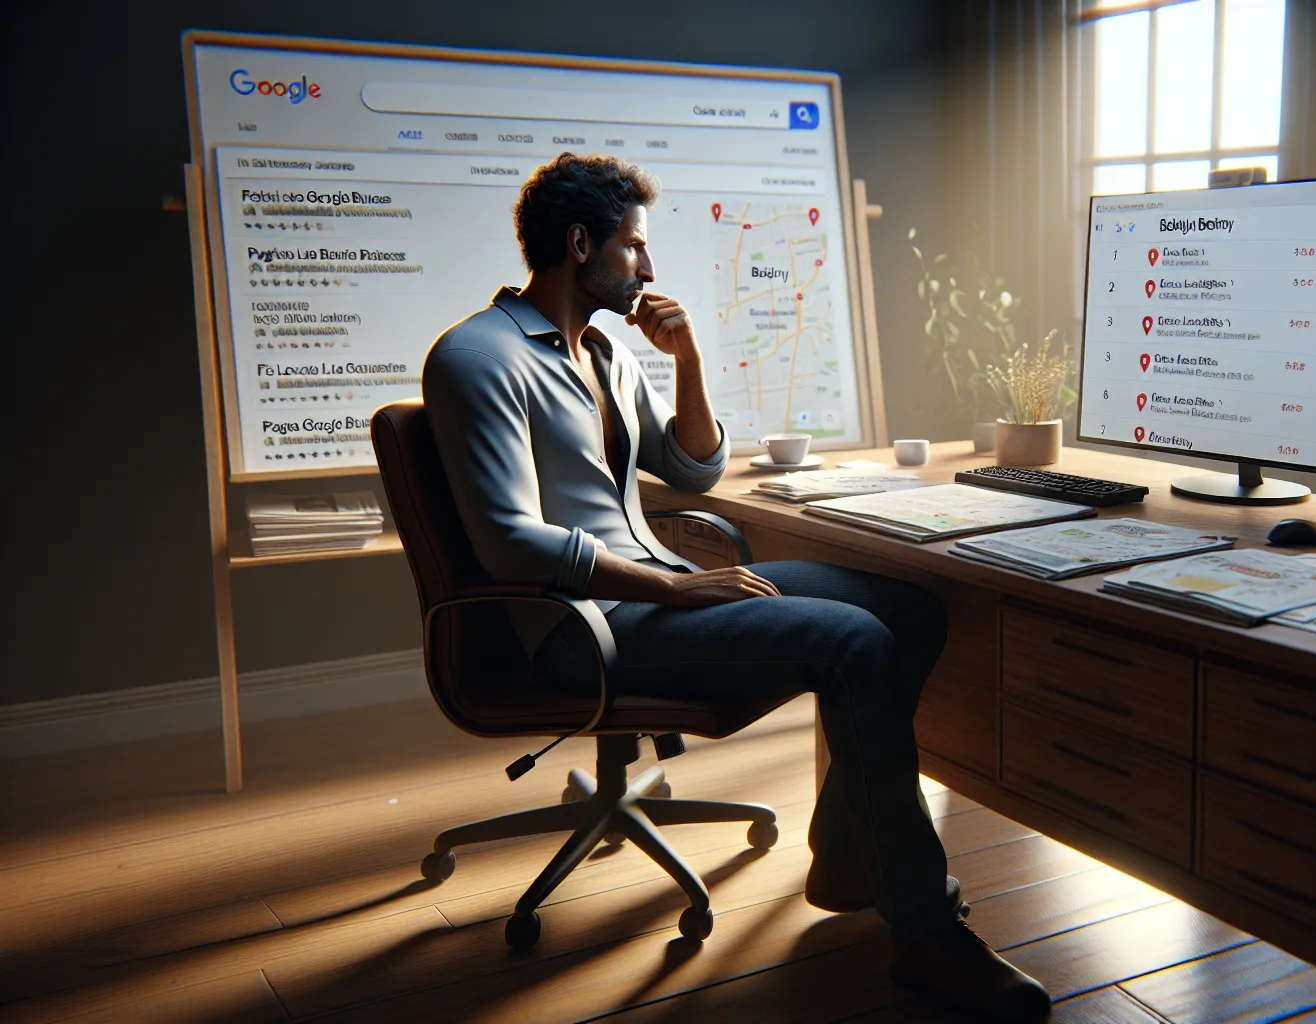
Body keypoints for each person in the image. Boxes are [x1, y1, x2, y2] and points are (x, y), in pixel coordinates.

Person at [422, 153, 1051, 1022]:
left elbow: (692, 468)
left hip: (659, 587)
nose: (647, 268)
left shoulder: (602, 352)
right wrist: (677, 593)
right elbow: (508, 541)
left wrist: (684, 358)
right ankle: (929, 937)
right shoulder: (477, 357)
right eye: (635, 248)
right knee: (854, 640)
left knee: (908, 609)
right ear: (580, 245)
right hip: (587, 626)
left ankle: (847, 853)